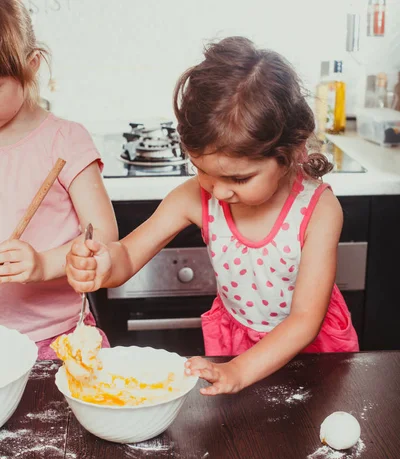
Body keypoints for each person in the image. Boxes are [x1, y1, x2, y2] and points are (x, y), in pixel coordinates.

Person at [66, 36, 359, 395]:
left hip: (311, 354)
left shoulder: (318, 211)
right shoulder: (194, 197)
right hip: (235, 343)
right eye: (203, 170)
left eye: (239, 178)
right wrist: (103, 264)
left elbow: (304, 321)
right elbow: (126, 255)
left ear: (291, 153)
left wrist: (239, 371)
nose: (218, 191)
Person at [0, 0, 118, 359]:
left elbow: (105, 238)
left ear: (31, 66)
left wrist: (42, 264)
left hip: (56, 343)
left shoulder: (65, 141)